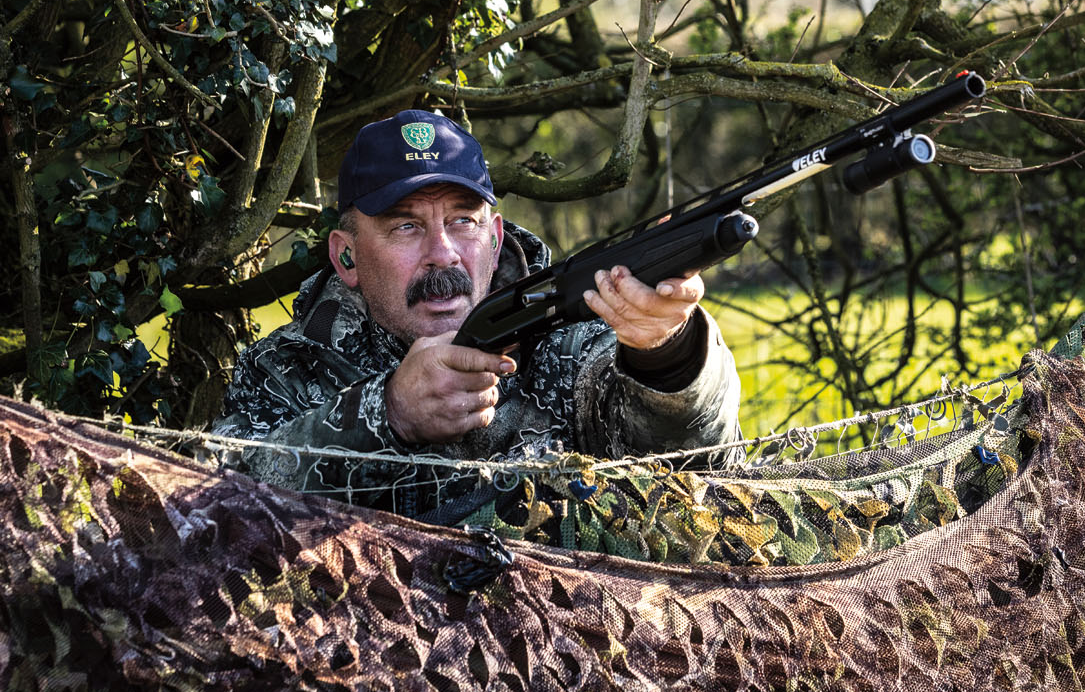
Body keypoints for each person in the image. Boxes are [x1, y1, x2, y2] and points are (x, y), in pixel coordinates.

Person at [215, 109, 741, 521]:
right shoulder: (283, 369)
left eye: (463, 221)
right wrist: (388, 412)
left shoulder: (578, 337)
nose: (443, 253)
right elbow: (219, 511)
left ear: (494, 239)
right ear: (346, 256)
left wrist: (667, 351)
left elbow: (706, 475)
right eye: (406, 227)